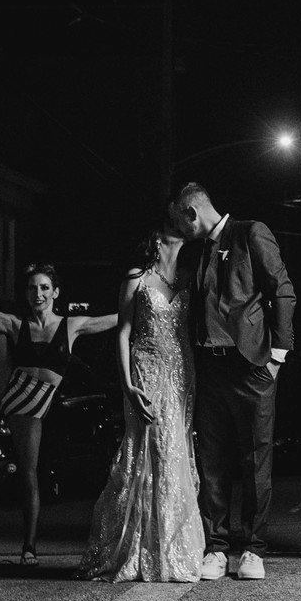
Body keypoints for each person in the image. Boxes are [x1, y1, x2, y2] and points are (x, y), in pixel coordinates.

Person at [173, 182, 296, 582]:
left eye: (180, 221)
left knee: (255, 460)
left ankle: (253, 550)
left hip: (252, 368)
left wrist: (278, 356)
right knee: (212, 461)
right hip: (211, 369)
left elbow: (282, 291)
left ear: (191, 213)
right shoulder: (196, 251)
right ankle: (216, 548)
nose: (179, 229)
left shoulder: (250, 232)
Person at [0, 239, 117, 565]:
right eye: (33, 288)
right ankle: (29, 547)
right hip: (14, 396)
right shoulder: (18, 325)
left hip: (39, 399)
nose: (38, 293)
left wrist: (144, 297)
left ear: (55, 293)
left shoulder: (71, 326)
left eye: (45, 288)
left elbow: (115, 319)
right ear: (27, 293)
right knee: (29, 473)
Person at [78, 222, 204, 582]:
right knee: (151, 449)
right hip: (146, 368)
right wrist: (128, 386)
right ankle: (140, 550)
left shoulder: (188, 277)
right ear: (160, 238)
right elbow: (123, 332)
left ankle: (171, 549)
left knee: (175, 450)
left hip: (182, 371)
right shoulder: (137, 277)